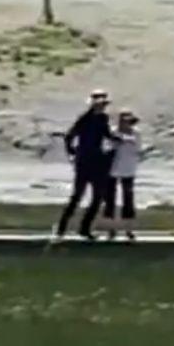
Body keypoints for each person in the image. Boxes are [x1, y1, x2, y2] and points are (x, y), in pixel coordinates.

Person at [56, 90, 113, 241]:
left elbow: (107, 135)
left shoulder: (103, 118)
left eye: (104, 104)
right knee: (77, 196)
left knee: (97, 197)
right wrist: (73, 152)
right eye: (101, 105)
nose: (103, 107)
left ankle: (84, 228)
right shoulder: (84, 119)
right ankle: (61, 228)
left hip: (96, 161)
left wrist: (119, 140)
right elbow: (69, 136)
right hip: (84, 162)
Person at [103, 109, 141, 242]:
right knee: (110, 200)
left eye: (130, 122)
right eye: (126, 122)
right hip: (112, 170)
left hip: (128, 170)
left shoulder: (136, 134)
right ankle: (110, 229)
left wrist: (123, 139)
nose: (129, 125)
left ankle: (128, 229)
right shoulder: (113, 132)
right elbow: (107, 147)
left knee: (128, 200)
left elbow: (136, 148)